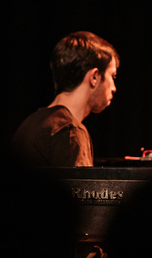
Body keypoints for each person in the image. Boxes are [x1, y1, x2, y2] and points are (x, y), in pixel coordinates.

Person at [12, 31, 119, 168]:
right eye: (113, 75)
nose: (114, 88)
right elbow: (80, 189)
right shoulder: (70, 133)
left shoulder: (29, 124)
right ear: (94, 77)